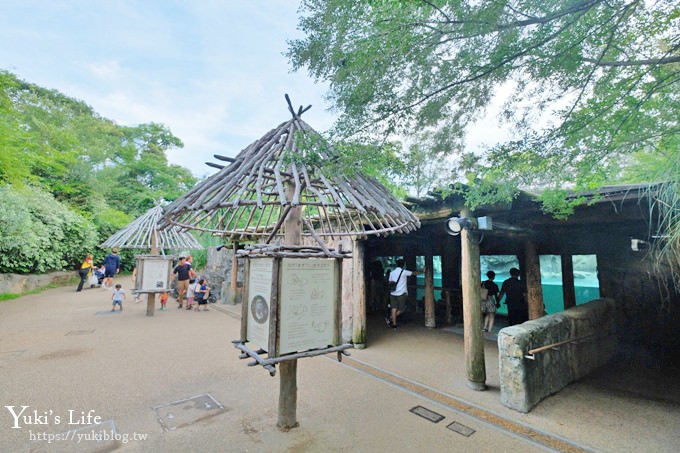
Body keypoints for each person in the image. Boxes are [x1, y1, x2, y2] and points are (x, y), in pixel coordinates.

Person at [386, 259, 422, 329]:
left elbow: (390, 282)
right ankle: (391, 318)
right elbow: (414, 273)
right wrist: (422, 271)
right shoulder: (404, 272)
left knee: (394, 308)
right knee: (402, 309)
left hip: (393, 293)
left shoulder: (392, 273)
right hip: (401, 293)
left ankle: (394, 324)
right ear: (403, 265)